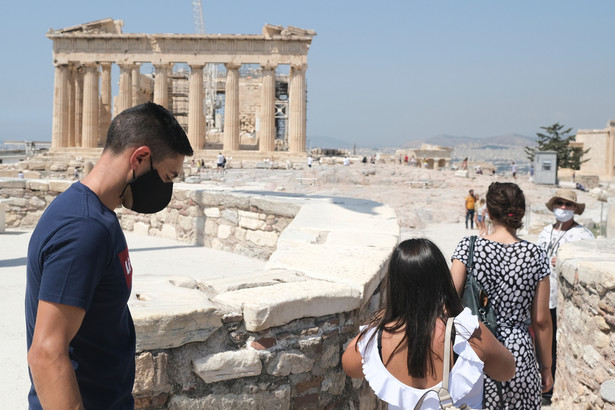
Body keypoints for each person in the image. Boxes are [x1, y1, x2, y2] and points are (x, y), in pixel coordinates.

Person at [25, 102, 193, 409]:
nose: (166, 189)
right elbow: (46, 353)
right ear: (140, 158)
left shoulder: (92, 213)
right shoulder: (84, 229)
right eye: (168, 177)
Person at [342, 238, 515, 409]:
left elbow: (350, 367)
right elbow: (507, 371)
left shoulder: (378, 338)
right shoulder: (467, 332)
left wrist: (383, 317)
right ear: (443, 278)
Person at [451, 182, 553, 408]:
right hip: (518, 353)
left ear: (487, 211)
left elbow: (447, 303)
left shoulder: (468, 248)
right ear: (521, 212)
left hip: (477, 348)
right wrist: (546, 367)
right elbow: (541, 321)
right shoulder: (536, 256)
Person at [537, 189, 594, 404]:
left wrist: (563, 260)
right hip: (542, 296)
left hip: (564, 300)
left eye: (568, 204)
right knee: (542, 343)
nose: (563, 208)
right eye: (559, 203)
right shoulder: (544, 232)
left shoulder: (582, 235)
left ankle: (553, 388)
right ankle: (543, 385)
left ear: (575, 209)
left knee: (559, 344)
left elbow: (586, 262)